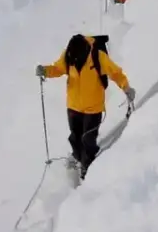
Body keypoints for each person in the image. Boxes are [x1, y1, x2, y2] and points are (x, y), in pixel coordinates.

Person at [36, 34, 136, 179]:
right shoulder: (69, 54)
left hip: (93, 108)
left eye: (76, 57)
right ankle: (78, 158)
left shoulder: (97, 56)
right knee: (75, 138)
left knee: (88, 139)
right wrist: (45, 71)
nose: (73, 60)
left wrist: (126, 88)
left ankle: (87, 168)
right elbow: (58, 68)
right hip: (73, 106)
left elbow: (115, 73)